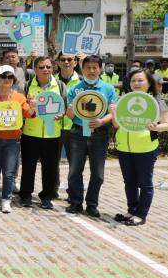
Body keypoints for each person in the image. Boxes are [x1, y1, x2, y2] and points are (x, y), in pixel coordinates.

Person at [109, 69, 168, 226]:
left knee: (145, 183)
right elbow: (116, 125)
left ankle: (141, 215)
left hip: (145, 148)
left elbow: (166, 124)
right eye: (133, 80)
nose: (136, 83)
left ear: (149, 83)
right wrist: (113, 113)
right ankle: (132, 210)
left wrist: (156, 127)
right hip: (124, 147)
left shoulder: (156, 101)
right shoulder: (124, 99)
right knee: (129, 182)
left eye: (140, 80)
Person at [65, 54, 118, 217]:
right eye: (88, 67)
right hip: (77, 133)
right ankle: (75, 202)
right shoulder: (75, 88)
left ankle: (92, 204)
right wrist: (72, 107)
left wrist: (102, 122)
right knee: (74, 171)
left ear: (100, 69)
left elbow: (112, 112)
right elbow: (70, 115)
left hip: (100, 134)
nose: (91, 70)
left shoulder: (108, 89)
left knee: (98, 173)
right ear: (82, 68)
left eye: (95, 67)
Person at [19, 56, 66, 209]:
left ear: (52, 68)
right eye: (41, 67)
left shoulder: (60, 85)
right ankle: (25, 195)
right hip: (31, 132)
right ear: (35, 69)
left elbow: (64, 106)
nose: (45, 70)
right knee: (28, 165)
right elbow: (22, 108)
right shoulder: (27, 86)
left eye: (48, 67)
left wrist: (62, 114)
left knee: (50, 167)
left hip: (53, 133)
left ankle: (47, 196)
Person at [0, 65, 33, 213]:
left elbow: (28, 114)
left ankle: (6, 199)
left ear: (14, 80)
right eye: (4, 77)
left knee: (9, 172)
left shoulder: (19, 97)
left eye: (10, 77)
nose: (7, 80)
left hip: (13, 140)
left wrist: (33, 106)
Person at [56, 53, 81, 171]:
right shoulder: (51, 81)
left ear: (75, 62)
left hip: (75, 127)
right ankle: (52, 188)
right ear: (58, 62)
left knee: (75, 162)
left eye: (69, 59)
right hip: (54, 127)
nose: (66, 62)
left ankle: (75, 188)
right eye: (63, 59)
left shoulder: (82, 81)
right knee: (52, 161)